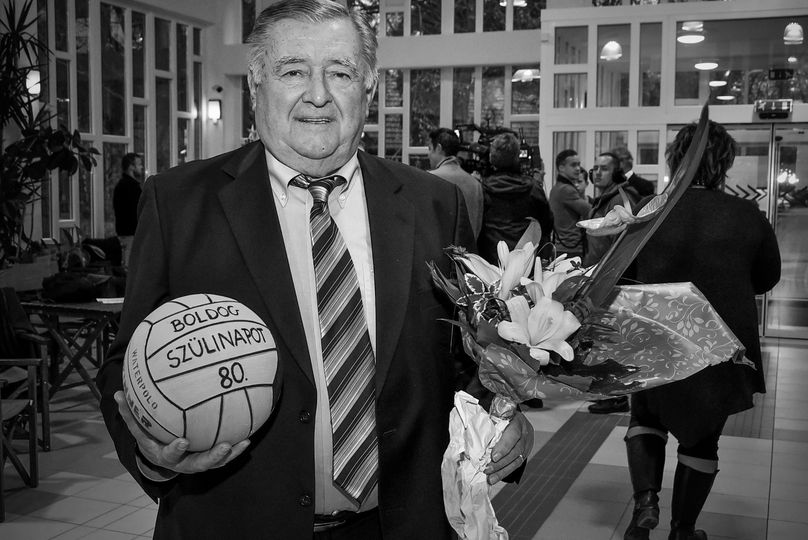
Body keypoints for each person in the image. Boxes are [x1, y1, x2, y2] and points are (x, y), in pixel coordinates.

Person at [95, 2, 533, 539]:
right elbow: (127, 361)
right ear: (256, 85)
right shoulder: (179, 202)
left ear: (368, 88)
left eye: (340, 73)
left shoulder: (434, 204)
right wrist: (151, 451)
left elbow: (464, 357)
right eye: (293, 71)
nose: (318, 94)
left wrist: (501, 414)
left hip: (399, 526)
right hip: (235, 524)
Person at [622, 120, 780, 540]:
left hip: (656, 332)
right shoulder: (746, 215)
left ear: (676, 158)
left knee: (646, 416)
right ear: (724, 163)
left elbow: (623, 273)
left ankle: (645, 504)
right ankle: (683, 530)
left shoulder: (651, 210)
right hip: (719, 339)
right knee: (702, 437)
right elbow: (768, 277)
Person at [478, 132, 553, 265]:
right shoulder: (533, 188)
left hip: (490, 259)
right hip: (526, 259)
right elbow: (547, 223)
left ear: (491, 157)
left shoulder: (481, 189)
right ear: (517, 156)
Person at [582, 152, 640, 268]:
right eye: (595, 168)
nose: (598, 173)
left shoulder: (618, 200)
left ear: (615, 174)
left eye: (604, 169)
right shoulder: (605, 199)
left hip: (606, 271)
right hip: (596, 269)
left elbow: (621, 245)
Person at [428, 127, 484, 240]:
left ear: (438, 148)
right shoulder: (475, 184)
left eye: (429, 149)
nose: (428, 154)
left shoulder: (429, 178)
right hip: (469, 249)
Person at [550, 149, 591, 258]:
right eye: (573, 165)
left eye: (578, 164)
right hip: (571, 249)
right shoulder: (566, 189)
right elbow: (589, 211)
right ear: (561, 168)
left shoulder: (557, 187)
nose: (578, 168)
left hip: (564, 247)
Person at [112, 152, 144, 267]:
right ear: (131, 167)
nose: (142, 167)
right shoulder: (131, 187)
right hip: (131, 235)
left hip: (126, 235)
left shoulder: (121, 186)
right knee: (130, 269)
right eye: (139, 164)